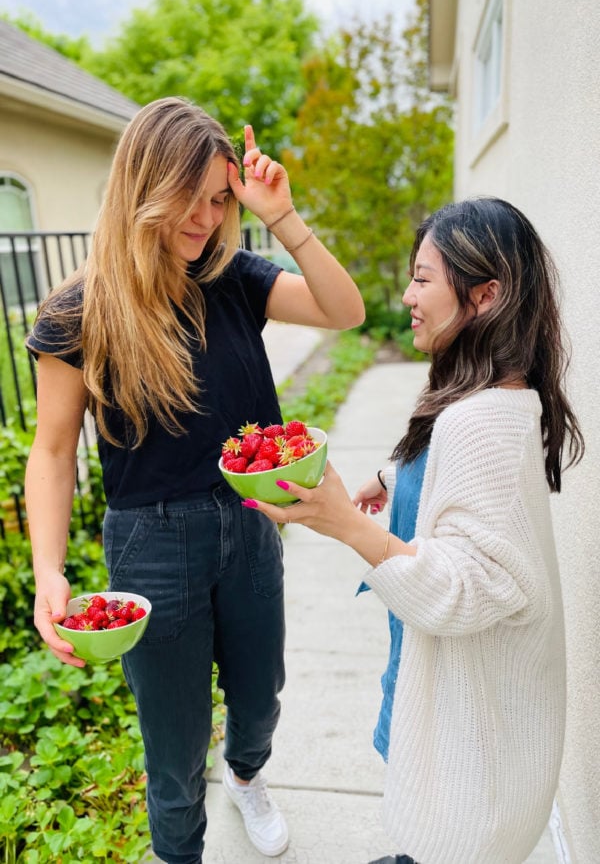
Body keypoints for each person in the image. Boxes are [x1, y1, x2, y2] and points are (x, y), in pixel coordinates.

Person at [24, 95, 365, 864]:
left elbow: (346, 311)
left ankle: (247, 778)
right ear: (145, 182)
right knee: (173, 750)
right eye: (193, 196)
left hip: (247, 522)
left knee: (259, 699)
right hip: (150, 540)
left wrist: (280, 215)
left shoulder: (234, 278)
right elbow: (49, 453)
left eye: (220, 198)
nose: (208, 218)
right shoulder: (78, 314)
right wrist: (49, 571)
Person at [242, 197, 585, 864]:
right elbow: (473, 502)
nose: (407, 295)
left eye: (423, 279)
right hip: (483, 728)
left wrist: (343, 523)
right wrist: (398, 477)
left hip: (474, 753)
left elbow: (466, 589)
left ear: (484, 296)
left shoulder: (475, 423)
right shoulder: (500, 396)